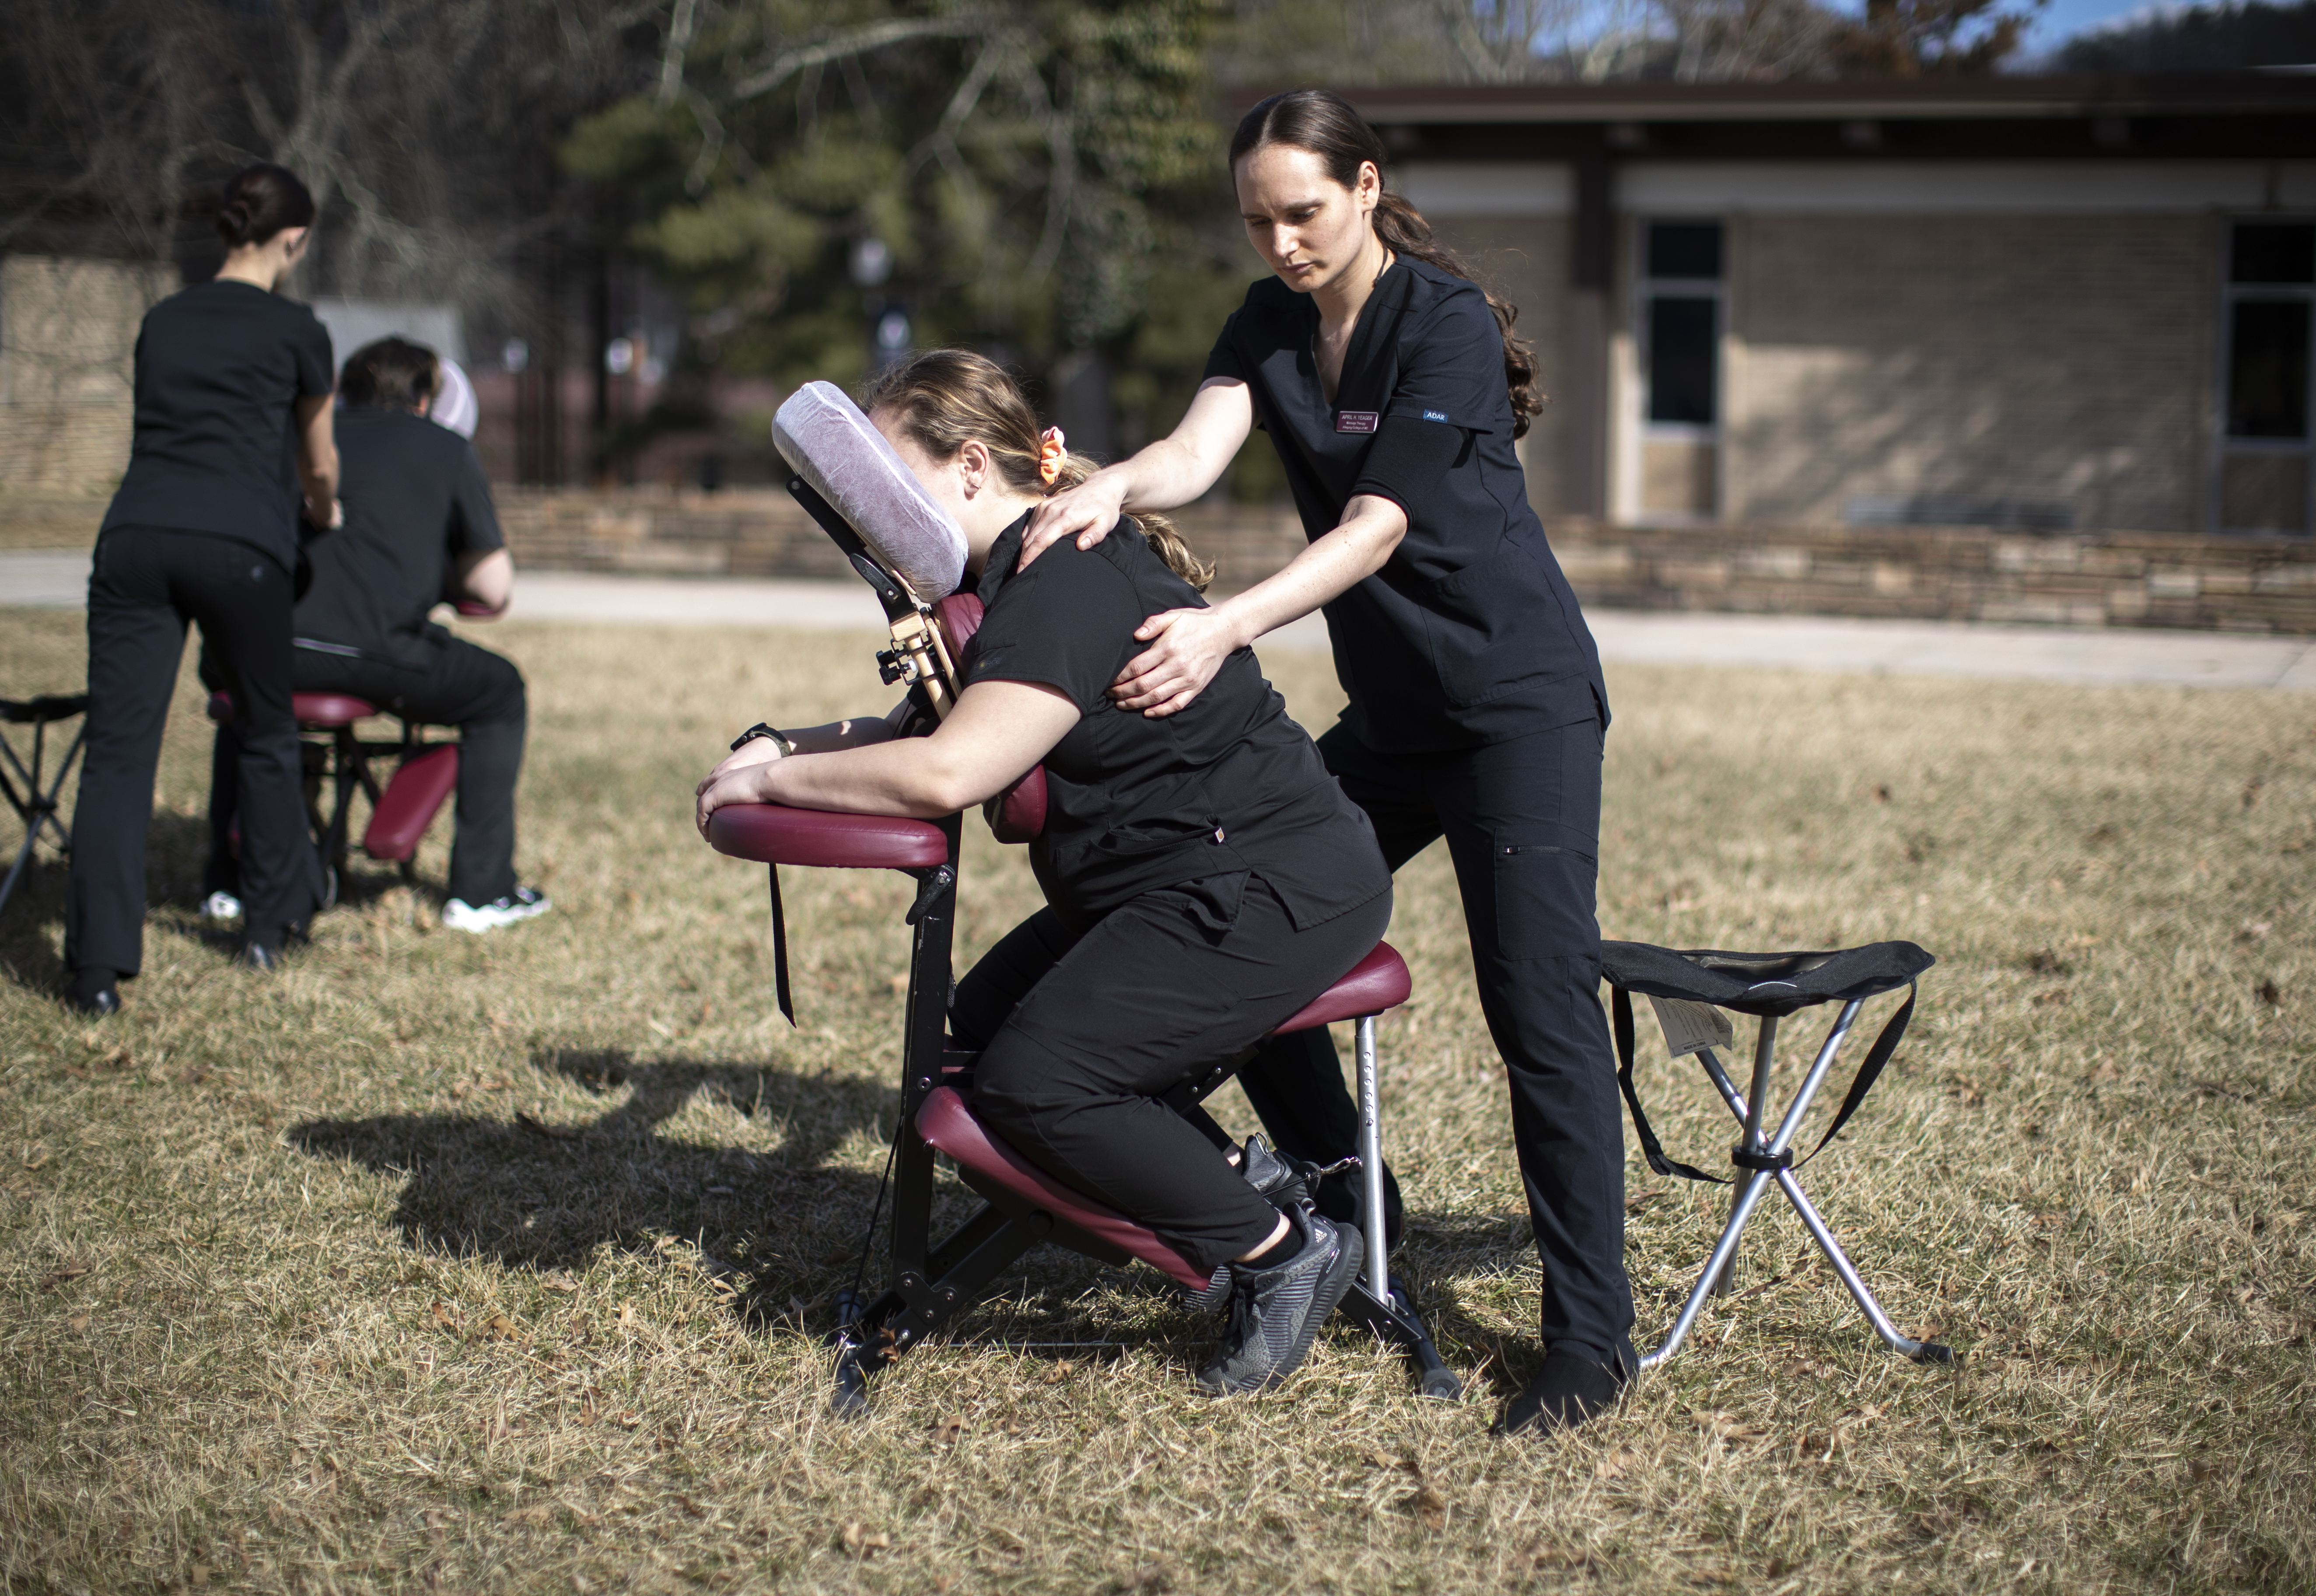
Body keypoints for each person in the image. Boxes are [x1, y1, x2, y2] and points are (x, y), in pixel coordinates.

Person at [1016, 89, 1632, 1434]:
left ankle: (1592, 1342)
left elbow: (1374, 528)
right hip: (1389, 721)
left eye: (1304, 211)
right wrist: (1116, 481)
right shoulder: (1269, 321)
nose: (1284, 242)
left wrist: (1225, 623)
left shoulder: (1443, 324)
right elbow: (1197, 447)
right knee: (1248, 912)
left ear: (1364, 187)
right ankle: (1343, 1208)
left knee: (1540, 1018)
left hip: (1514, 712)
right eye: (1259, 220)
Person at [694, 350, 1395, 1395]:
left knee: (1038, 1085)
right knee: (977, 1031)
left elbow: (951, 769)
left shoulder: (1064, 576)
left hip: (1267, 883)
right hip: (1168, 878)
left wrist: (779, 787)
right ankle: (1239, 1182)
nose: (873, 517)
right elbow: (921, 727)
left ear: (971, 466)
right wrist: (780, 750)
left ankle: (1280, 1252)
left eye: (889, 482)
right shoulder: (1012, 577)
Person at [65, 163, 341, 1014]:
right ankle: (268, 927)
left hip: (138, 538)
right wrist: (324, 511)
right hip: (242, 544)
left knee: (118, 750)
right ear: (293, 240)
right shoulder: (298, 329)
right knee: (263, 730)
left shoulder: (164, 318)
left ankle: (96, 972)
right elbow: (320, 462)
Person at [199, 337, 547, 933]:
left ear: (345, 392)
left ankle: (229, 883)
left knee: (253, 699)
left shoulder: (297, 438)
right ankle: (482, 893)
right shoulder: (445, 448)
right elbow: (492, 590)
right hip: (374, 654)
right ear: (423, 400)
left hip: (254, 647)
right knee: (499, 691)